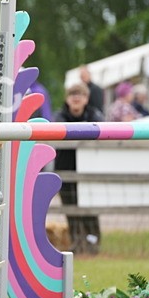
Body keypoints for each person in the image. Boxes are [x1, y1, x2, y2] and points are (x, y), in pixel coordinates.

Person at [52, 82, 105, 253]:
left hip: (89, 170)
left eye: (80, 94)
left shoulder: (95, 115)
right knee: (71, 209)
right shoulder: (59, 116)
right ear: (67, 99)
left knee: (90, 209)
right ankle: (76, 244)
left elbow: (103, 132)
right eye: (72, 94)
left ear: (86, 98)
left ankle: (93, 242)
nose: (76, 98)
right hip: (66, 169)